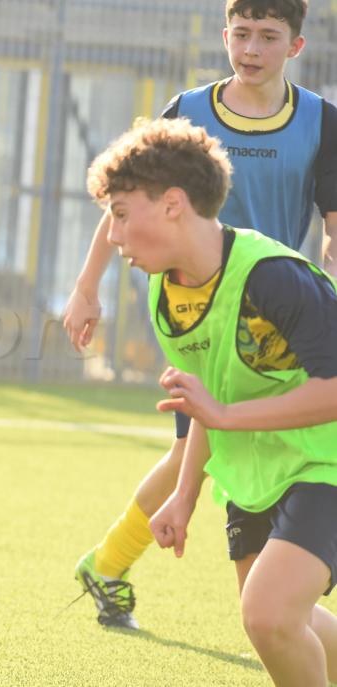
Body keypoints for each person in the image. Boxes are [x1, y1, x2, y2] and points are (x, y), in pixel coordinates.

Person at [67, 0, 337, 629]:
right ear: (225, 35)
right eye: (241, 34)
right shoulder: (188, 109)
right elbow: (123, 202)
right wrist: (86, 286)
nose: (251, 49)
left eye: (268, 36)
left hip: (279, 316)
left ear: (295, 46)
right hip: (198, 309)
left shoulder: (322, 122)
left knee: (213, 442)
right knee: (200, 441)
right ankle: (110, 563)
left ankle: (120, 565)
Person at [88, 115, 337, 686]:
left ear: (173, 204)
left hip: (325, 464)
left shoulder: (275, 277)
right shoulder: (166, 288)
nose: (113, 236)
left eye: (121, 214)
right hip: (251, 474)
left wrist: (225, 415)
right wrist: (183, 495)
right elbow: (212, 397)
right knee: (277, 619)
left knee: (268, 614)